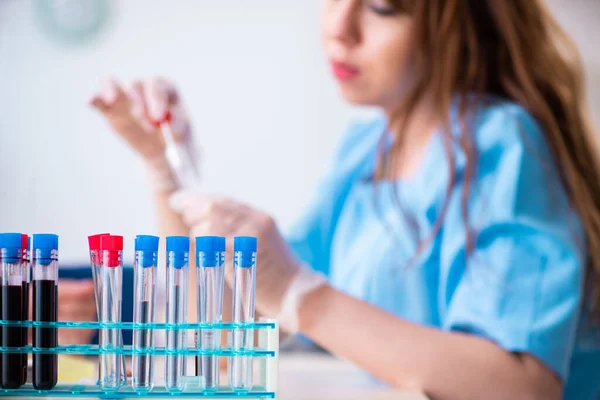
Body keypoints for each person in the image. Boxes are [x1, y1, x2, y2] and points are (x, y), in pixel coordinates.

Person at [89, 1, 600, 398]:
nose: (339, 27)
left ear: (462, 26)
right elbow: (229, 335)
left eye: (381, 7)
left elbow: (523, 388)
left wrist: (302, 294)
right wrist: (165, 169)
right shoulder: (364, 152)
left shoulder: (503, 145)